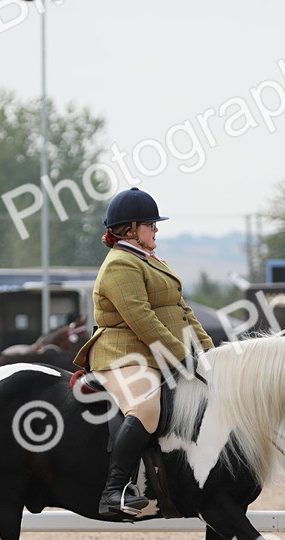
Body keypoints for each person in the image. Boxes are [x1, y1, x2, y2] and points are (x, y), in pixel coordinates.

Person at [73, 187, 214, 517]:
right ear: (132, 228)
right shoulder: (119, 265)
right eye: (151, 224)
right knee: (147, 407)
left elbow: (182, 310)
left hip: (153, 354)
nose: (156, 230)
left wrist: (209, 351)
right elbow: (141, 319)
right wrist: (182, 356)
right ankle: (114, 491)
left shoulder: (150, 261)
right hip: (121, 355)